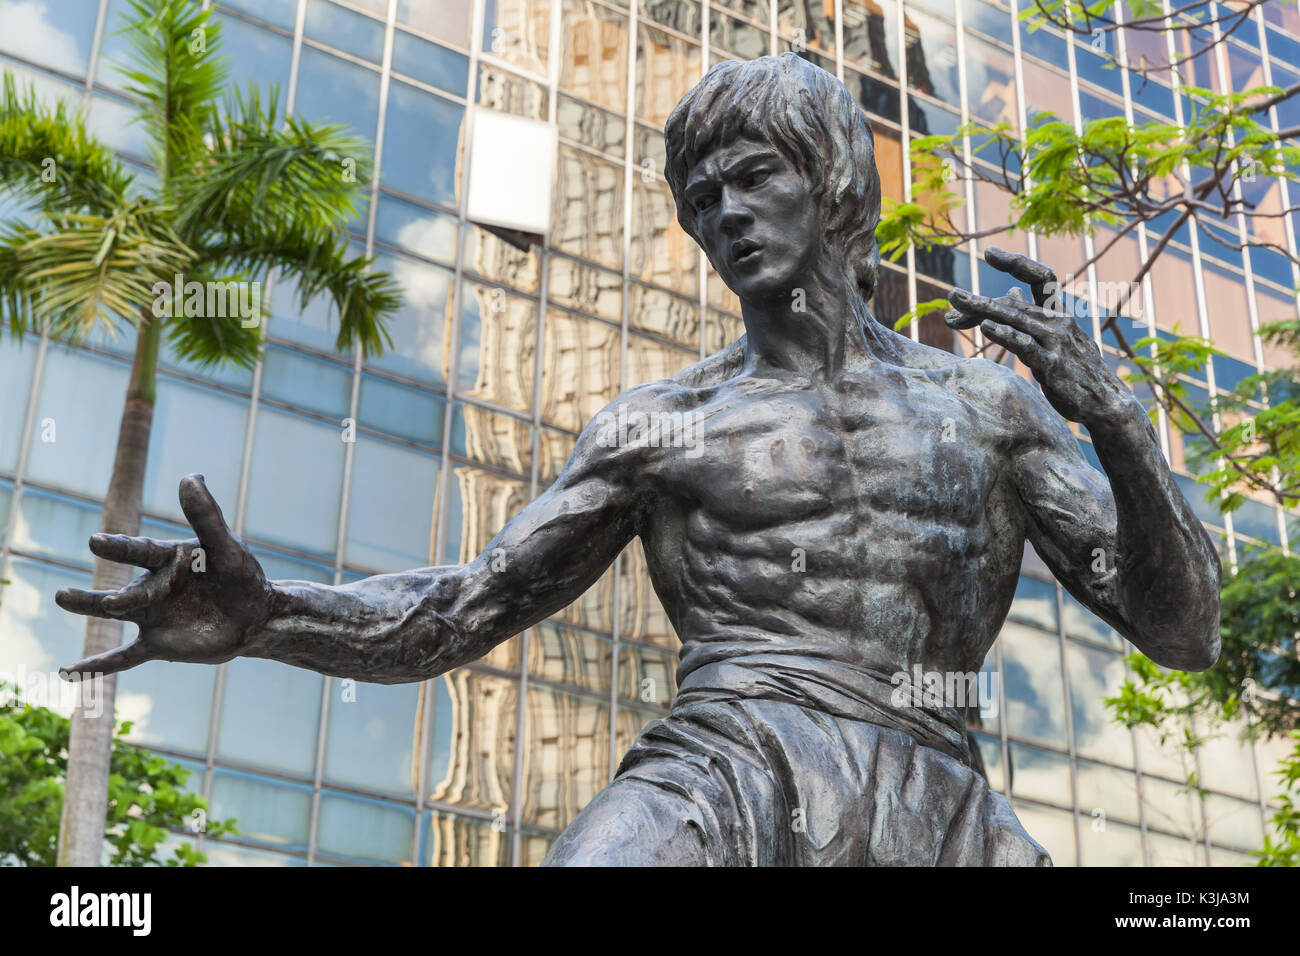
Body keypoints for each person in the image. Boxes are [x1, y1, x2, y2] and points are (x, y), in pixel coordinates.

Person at [58, 54, 1221, 866]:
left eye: (753, 177)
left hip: (941, 786)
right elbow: (465, 606)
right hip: (730, 758)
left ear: (830, 183)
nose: (725, 215)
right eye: (701, 199)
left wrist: (1113, 421)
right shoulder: (663, 425)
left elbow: (1181, 630)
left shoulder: (986, 410)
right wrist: (272, 616)